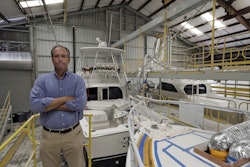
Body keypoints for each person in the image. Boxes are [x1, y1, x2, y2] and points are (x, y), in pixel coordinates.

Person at [30, 45, 87, 167]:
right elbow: (35, 105)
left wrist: (48, 104)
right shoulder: (42, 81)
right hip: (49, 137)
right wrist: (65, 99)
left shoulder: (78, 81)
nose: (60, 59)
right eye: (56, 56)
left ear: (68, 59)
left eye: (63, 56)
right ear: (52, 59)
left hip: (73, 135)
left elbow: (80, 104)